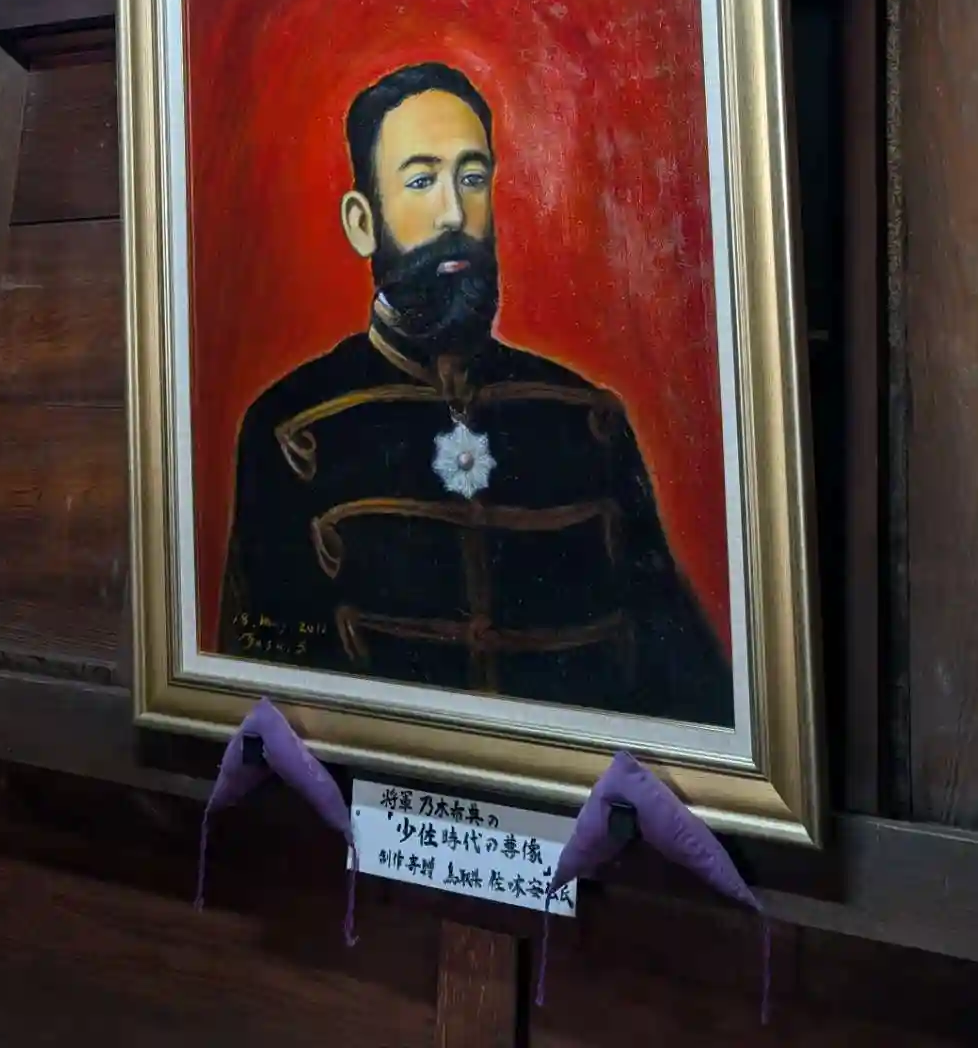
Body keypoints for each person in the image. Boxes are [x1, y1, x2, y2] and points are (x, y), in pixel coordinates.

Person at [219, 59, 733, 726]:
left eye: (471, 177)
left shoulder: (586, 420)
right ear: (361, 222)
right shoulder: (290, 429)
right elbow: (265, 696)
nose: (453, 213)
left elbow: (687, 686)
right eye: (421, 180)